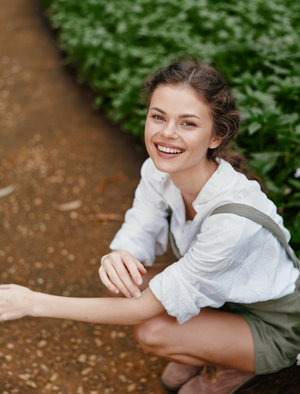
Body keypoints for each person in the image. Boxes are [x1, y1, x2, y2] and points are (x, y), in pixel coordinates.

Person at [0, 59, 299, 393]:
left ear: (216, 136)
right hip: (226, 298)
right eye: (158, 116)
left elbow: (143, 309)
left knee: (151, 332)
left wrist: (33, 303)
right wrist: (120, 254)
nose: (166, 133)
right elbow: (139, 229)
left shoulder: (233, 220)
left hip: (274, 324)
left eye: (187, 123)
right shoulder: (158, 171)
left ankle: (237, 364)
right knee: (125, 279)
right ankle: (206, 343)